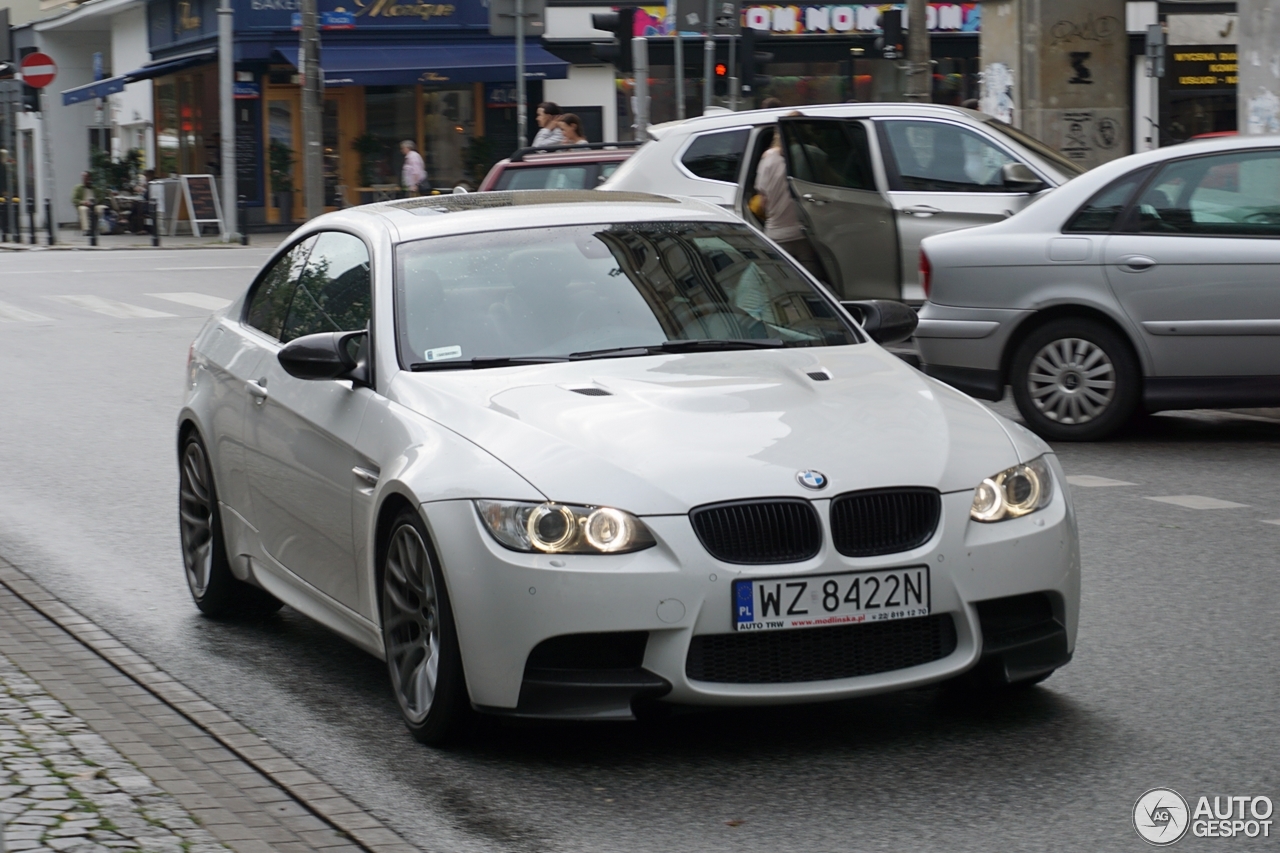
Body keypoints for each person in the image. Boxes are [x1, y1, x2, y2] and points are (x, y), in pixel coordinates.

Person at [753, 117, 827, 283]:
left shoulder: (768, 159)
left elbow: (762, 202)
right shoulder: (813, 155)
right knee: (812, 287)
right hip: (802, 236)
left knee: (782, 287)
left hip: (775, 237)